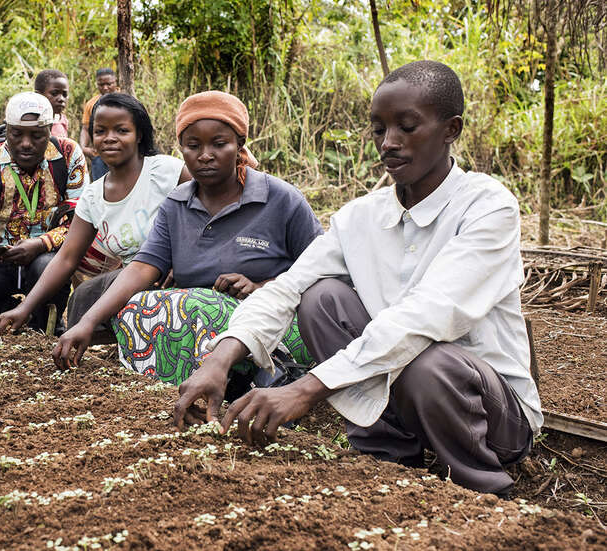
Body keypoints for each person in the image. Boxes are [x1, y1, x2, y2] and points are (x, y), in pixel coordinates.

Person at [174, 61, 542, 497]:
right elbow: (288, 288)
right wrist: (221, 358)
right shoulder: (360, 217)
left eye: (407, 127)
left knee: (427, 360)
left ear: (451, 129)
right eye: (378, 129)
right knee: (321, 298)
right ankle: (386, 454)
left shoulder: (487, 207)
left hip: (494, 416)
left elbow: (428, 315)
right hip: (403, 390)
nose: (389, 143)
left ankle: (479, 484)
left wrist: (307, 389)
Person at [53, 91, 322, 391]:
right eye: (193, 146)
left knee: (192, 306)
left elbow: (321, 270)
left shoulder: (281, 198)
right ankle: (188, 390)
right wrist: (87, 322)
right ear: (181, 148)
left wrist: (262, 287)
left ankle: (270, 373)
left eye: (219, 144)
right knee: (138, 307)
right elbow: (142, 268)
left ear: (240, 145)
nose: (205, 155)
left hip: (277, 322)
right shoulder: (176, 204)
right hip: (201, 326)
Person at [0, 93, 191, 334]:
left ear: (139, 135)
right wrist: (24, 309)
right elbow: (67, 258)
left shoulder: (166, 171)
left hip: (181, 276)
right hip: (135, 281)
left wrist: (183, 263)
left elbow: (208, 215)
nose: (109, 139)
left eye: (121, 131)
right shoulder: (93, 196)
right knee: (82, 300)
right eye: (100, 132)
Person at [0, 92, 89, 331]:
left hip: (45, 258)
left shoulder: (69, 156)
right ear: (7, 131)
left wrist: (41, 243)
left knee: (48, 267)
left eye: (37, 135)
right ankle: (2, 316)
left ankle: (44, 326)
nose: (26, 143)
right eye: (17, 134)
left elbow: (80, 220)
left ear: (50, 131)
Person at [80, 68, 118, 181]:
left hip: (122, 153)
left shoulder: (126, 99)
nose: (105, 88)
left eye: (109, 84)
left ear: (115, 81)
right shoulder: (91, 104)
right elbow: (85, 128)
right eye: (101, 85)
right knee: (100, 188)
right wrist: (83, 148)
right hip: (99, 155)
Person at [35, 69, 70, 139]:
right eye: (54, 93)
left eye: (64, 94)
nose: (61, 99)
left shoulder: (63, 121)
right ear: (38, 95)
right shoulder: (32, 123)